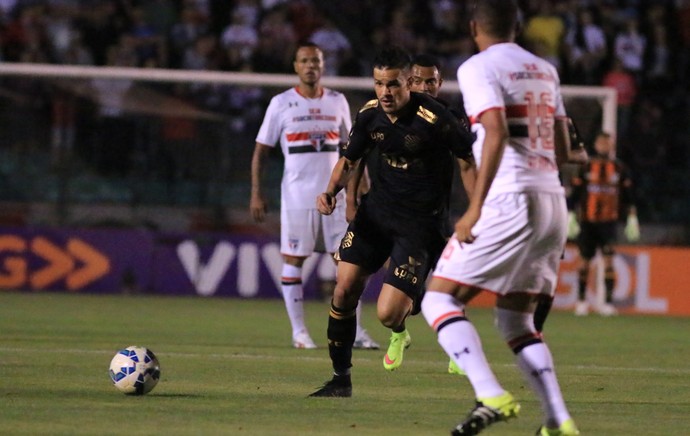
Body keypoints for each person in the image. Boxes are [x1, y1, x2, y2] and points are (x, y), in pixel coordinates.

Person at [419, 1, 585, 434]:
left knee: (438, 299)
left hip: (511, 198)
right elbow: (566, 149)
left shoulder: (477, 68)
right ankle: (558, 421)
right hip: (552, 201)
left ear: (474, 26)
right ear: (518, 27)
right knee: (515, 318)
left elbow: (494, 129)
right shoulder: (545, 70)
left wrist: (474, 208)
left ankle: (490, 394)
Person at [309, 46, 476, 397]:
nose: (385, 92)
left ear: (408, 84)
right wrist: (332, 192)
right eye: (379, 84)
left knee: (387, 314)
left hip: (419, 224)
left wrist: (477, 211)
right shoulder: (370, 115)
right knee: (343, 288)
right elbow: (349, 160)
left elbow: (467, 161)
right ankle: (341, 379)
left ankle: (401, 327)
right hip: (377, 213)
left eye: (393, 85)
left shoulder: (438, 118)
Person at [250, 41, 379, 350]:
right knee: (294, 259)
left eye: (316, 61)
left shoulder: (337, 101)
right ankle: (299, 333)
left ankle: (357, 331)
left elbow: (354, 149)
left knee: (348, 263)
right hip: (297, 197)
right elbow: (261, 152)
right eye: (305, 60)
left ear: (323, 66)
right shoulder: (281, 103)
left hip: (333, 197)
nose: (311, 66)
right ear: (296, 66)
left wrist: (360, 186)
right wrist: (256, 192)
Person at [568, 131, 639, 317]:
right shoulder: (586, 167)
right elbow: (574, 194)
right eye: (602, 143)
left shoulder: (620, 168)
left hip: (609, 222)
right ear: (596, 145)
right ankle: (581, 301)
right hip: (587, 222)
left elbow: (629, 197)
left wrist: (632, 218)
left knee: (608, 261)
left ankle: (607, 303)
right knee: (584, 262)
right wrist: (570, 215)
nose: (604, 146)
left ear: (612, 146)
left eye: (608, 143)